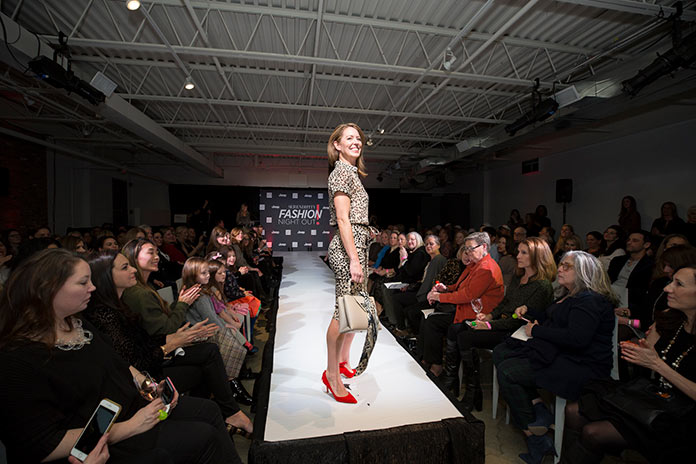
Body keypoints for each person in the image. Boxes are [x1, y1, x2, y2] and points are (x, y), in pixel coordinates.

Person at [0, 249, 243, 463]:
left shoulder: (77, 323)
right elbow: (40, 444)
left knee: (209, 411)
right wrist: (128, 427)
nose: (92, 288)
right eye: (83, 282)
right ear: (49, 290)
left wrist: (147, 384)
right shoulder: (19, 358)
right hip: (106, 438)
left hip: (134, 408)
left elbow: (119, 362)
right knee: (203, 437)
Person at [84, 251, 254, 430]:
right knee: (208, 365)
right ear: (106, 277)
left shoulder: (123, 303)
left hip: (155, 359)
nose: (133, 269)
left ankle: (227, 414)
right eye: (126, 267)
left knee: (210, 353)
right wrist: (172, 342)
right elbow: (135, 361)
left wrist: (175, 338)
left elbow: (145, 339)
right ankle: (219, 416)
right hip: (148, 377)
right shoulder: (115, 310)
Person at [560, 264, 696, 464]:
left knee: (593, 432)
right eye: (671, 282)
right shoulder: (671, 320)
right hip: (653, 396)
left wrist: (657, 364)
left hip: (682, 416)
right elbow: (647, 357)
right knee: (573, 410)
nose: (668, 288)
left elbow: (658, 365)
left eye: (679, 284)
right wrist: (643, 347)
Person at [493, 251, 617, 464]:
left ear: (583, 272)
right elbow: (556, 319)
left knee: (508, 371)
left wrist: (536, 332)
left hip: (582, 365)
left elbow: (577, 338)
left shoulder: (590, 300)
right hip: (564, 354)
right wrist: (530, 312)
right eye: (561, 265)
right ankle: (537, 412)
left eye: (567, 266)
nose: (560, 269)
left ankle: (534, 434)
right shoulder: (572, 294)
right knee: (505, 356)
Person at [442, 238, 556, 411]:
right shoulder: (520, 278)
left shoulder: (542, 286)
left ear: (537, 256)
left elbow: (520, 319)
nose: (518, 256)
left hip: (518, 332)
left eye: (523, 253)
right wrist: (489, 316)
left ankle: (473, 392)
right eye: (518, 251)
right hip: (503, 323)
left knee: (465, 336)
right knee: (456, 328)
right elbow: (504, 304)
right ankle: (461, 385)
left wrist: (489, 325)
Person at [325, 122, 372, 404]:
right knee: (341, 313)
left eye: (359, 138)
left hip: (356, 246)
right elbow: (343, 219)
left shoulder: (351, 173)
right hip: (348, 250)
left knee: (349, 309)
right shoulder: (341, 173)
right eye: (350, 138)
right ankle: (332, 375)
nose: (356, 142)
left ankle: (341, 362)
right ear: (337, 145)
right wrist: (354, 259)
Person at [421, 232, 505, 377]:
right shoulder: (475, 265)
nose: (467, 252)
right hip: (466, 311)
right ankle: (433, 362)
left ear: (484, 246)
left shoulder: (486, 268)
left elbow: (468, 295)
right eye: (466, 249)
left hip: (478, 316)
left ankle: (438, 366)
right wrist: (446, 288)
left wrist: (440, 296)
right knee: (431, 321)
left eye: (471, 248)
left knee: (434, 322)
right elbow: (461, 287)